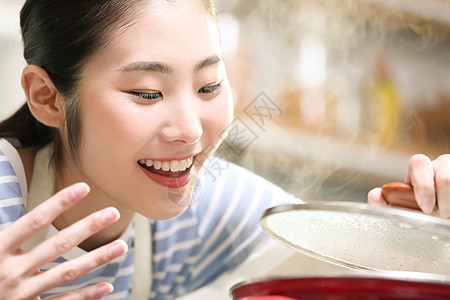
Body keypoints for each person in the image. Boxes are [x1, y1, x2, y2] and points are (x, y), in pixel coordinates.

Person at [0, 0, 448, 299]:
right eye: (147, 93)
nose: (191, 131)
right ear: (47, 97)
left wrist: (433, 228)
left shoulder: (204, 206)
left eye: (209, 86)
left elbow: (369, 260)